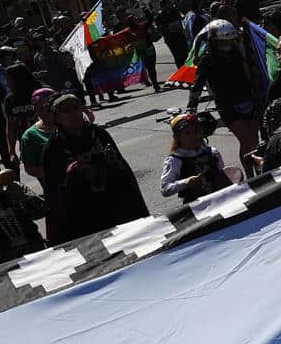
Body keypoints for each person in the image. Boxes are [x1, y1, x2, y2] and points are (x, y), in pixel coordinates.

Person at [40, 94, 147, 245]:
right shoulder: (53, 148)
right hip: (82, 214)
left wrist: (112, 162)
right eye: (66, 110)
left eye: (76, 108)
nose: (73, 113)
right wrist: (72, 172)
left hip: (114, 204)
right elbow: (53, 192)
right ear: (56, 118)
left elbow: (124, 172)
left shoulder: (99, 134)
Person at [186, 19, 266, 173]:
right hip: (227, 105)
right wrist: (191, 108)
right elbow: (196, 85)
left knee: (254, 140)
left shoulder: (239, 53)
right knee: (245, 140)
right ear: (214, 42)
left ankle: (258, 169)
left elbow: (254, 72)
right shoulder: (207, 60)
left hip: (248, 100)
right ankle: (250, 174)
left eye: (229, 41)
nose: (227, 45)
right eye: (223, 42)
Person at [160, 112, 233, 202]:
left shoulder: (212, 152)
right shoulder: (175, 160)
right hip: (196, 207)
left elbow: (223, 175)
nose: (193, 135)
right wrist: (185, 183)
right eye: (187, 133)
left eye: (196, 130)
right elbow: (165, 189)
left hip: (221, 199)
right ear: (177, 137)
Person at [19, 88, 57, 185]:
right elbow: (29, 168)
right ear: (35, 110)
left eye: (48, 107)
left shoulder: (72, 123)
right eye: (40, 108)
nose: (45, 112)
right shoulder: (30, 136)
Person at [155, 0, 190, 77]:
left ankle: (189, 72)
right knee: (178, 57)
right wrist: (169, 27)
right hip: (171, 39)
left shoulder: (174, 11)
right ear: (164, 5)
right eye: (168, 3)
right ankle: (182, 73)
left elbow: (181, 21)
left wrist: (185, 33)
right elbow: (160, 29)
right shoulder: (159, 16)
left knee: (186, 54)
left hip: (180, 36)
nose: (171, 4)